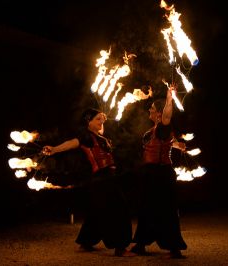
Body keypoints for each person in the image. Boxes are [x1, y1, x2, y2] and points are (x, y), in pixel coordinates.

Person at [42, 108, 136, 257]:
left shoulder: (99, 137)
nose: (101, 122)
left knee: (97, 211)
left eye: (102, 119)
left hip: (106, 178)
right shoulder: (86, 137)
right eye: (97, 119)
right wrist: (54, 149)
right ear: (88, 121)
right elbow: (72, 143)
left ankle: (86, 242)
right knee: (119, 209)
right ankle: (120, 247)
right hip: (102, 179)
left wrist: (101, 118)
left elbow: (101, 132)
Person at [131, 85, 187, 259]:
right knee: (146, 209)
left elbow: (168, 115)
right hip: (150, 173)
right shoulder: (155, 131)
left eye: (153, 108)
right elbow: (168, 142)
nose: (150, 109)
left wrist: (169, 99)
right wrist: (178, 145)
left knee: (167, 210)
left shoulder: (163, 127)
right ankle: (141, 244)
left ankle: (174, 247)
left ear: (159, 114)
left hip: (161, 174)